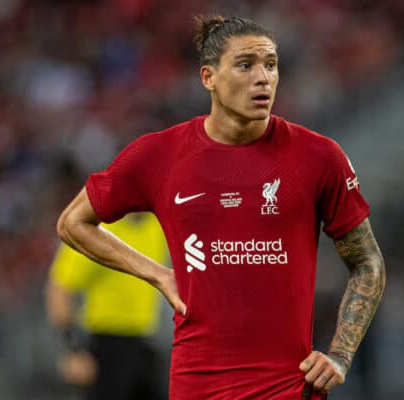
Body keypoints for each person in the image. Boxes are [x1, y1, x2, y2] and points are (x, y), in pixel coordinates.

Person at [57, 15, 386, 399]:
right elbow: (73, 223)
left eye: (271, 64)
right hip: (197, 387)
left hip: (288, 387)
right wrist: (158, 275)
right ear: (208, 77)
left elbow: (368, 264)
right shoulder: (160, 155)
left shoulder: (319, 157)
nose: (263, 77)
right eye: (246, 65)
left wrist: (340, 356)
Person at [46, 213, 169, 400]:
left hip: (143, 343)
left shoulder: (158, 226)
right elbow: (60, 288)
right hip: (105, 346)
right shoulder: (98, 231)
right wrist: (73, 349)